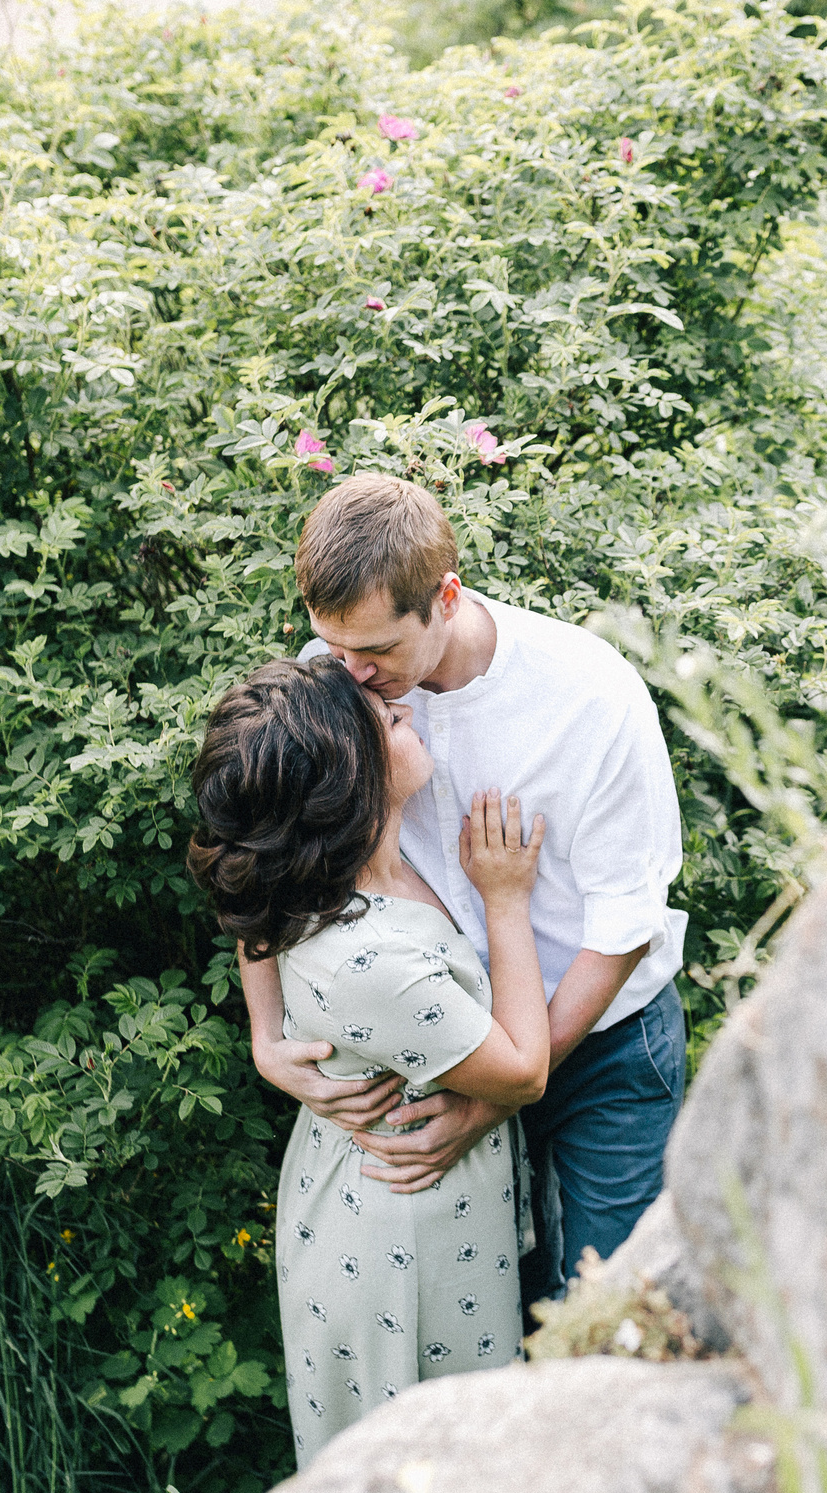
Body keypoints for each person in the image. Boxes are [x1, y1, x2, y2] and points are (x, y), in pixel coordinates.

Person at [239, 472, 689, 1309]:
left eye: (377, 651)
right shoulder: (335, 674)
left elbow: (627, 924)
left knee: (608, 1304)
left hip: (603, 1047)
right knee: (495, 1304)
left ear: (445, 598)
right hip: (441, 1045)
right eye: (333, 646)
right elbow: (268, 847)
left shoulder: (589, 695)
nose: (352, 673)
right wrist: (267, 1036)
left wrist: (495, 1096)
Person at [188, 657, 551, 1466]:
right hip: (398, 1241)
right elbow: (524, 1069)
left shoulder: (334, 870)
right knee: (429, 1475)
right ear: (351, 783)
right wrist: (505, 900)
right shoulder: (367, 958)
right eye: (386, 720)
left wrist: (265, 1033)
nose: (407, 712)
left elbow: (254, 902)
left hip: (407, 1203)